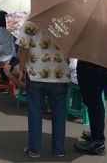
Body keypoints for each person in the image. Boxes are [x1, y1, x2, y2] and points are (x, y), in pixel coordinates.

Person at [16, 20, 70, 158]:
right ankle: (59, 150)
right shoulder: (68, 22)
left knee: (35, 113)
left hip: (36, 74)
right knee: (59, 113)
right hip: (60, 74)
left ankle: (34, 149)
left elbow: (23, 49)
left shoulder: (31, 21)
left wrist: (21, 70)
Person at [74, 60, 107, 156]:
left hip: (92, 66)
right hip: (98, 65)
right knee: (94, 102)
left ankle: (98, 142)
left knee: (94, 103)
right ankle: (96, 134)